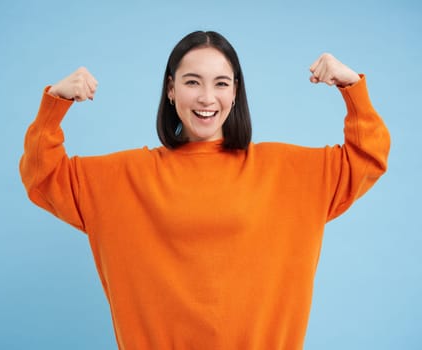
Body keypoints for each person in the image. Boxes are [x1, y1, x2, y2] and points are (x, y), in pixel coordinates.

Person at [20, 30, 390, 349]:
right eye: (192, 81)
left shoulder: (288, 172)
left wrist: (350, 87)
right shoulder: (125, 177)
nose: (206, 98)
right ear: (171, 89)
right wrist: (56, 102)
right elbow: (42, 175)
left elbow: (367, 156)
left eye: (221, 83)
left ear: (235, 92)